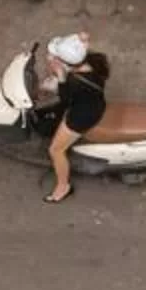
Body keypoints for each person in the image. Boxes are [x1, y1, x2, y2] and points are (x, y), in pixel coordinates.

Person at [43, 49, 111, 203]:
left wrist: (60, 75)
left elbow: (65, 99)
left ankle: (63, 186)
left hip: (82, 116)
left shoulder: (75, 82)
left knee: (55, 150)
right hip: (94, 104)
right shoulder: (91, 62)